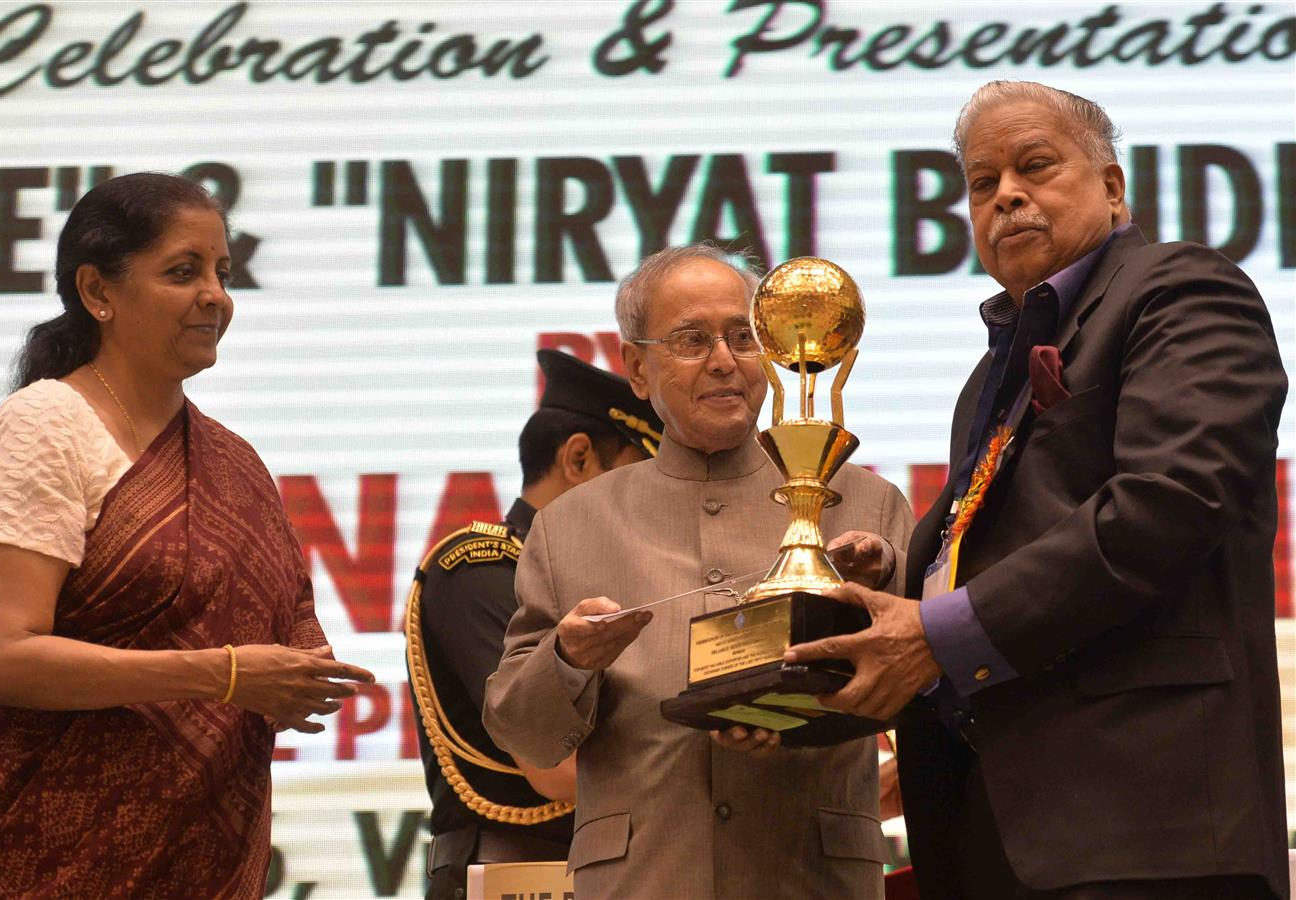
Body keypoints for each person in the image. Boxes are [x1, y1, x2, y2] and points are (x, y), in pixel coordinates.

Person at [787, 81, 1289, 899]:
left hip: (1144, 830)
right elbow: (1009, 539)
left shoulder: (1181, 290)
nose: (1007, 194)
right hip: (993, 829)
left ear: (1114, 187)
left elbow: (1170, 501)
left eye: (1035, 166)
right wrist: (883, 595)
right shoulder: (994, 371)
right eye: (982, 183)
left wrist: (937, 631)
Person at [0, 172, 373, 897]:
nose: (216, 295)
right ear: (97, 291)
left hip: (195, 861)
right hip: (31, 850)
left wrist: (301, 674)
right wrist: (227, 674)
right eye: (184, 271)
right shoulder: (48, 423)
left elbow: (288, 617)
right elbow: (1, 659)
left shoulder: (232, 457)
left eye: (223, 272)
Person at [483, 243, 915, 898]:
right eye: (691, 340)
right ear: (636, 368)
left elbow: (927, 683)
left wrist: (879, 589)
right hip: (645, 878)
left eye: (744, 336)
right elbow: (525, 733)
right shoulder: (568, 527)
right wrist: (568, 657)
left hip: (813, 875)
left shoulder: (864, 502)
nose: (724, 362)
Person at [406, 348, 663, 900]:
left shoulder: (621, 585)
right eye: (640, 479)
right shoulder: (480, 567)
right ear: (578, 459)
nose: (654, 506)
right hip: (511, 874)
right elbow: (553, 765)